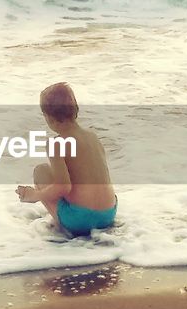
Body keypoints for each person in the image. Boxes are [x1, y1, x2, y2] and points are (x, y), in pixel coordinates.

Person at [16, 83, 117, 236]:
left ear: (48, 117)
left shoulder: (56, 143)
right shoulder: (93, 137)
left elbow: (63, 187)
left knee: (41, 171)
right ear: (75, 108)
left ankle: (61, 227)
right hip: (108, 214)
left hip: (79, 219)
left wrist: (34, 196)